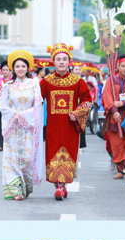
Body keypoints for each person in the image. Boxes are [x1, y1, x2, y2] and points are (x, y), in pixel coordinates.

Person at [39, 43, 92, 201]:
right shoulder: (46, 82)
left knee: (68, 154)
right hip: (53, 127)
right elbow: (36, 100)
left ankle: (62, 186)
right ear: (53, 62)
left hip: (70, 126)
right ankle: (58, 186)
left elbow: (87, 100)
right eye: (58, 59)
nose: (61, 62)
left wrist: (77, 113)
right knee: (54, 154)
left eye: (64, 59)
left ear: (70, 62)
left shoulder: (77, 81)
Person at [0, 51, 43, 201]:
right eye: (17, 66)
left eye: (23, 66)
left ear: (28, 68)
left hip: (28, 126)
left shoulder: (35, 84)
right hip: (12, 127)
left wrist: (25, 115)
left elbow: (38, 105)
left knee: (27, 158)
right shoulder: (8, 86)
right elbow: (3, 106)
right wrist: (14, 115)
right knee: (12, 158)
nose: (20, 69)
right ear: (13, 69)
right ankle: (16, 190)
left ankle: (26, 186)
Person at [101, 55, 125, 177]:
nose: (124, 68)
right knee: (116, 143)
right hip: (115, 116)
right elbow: (107, 98)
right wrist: (114, 111)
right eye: (122, 66)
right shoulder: (111, 81)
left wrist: (123, 103)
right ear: (118, 66)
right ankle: (119, 170)